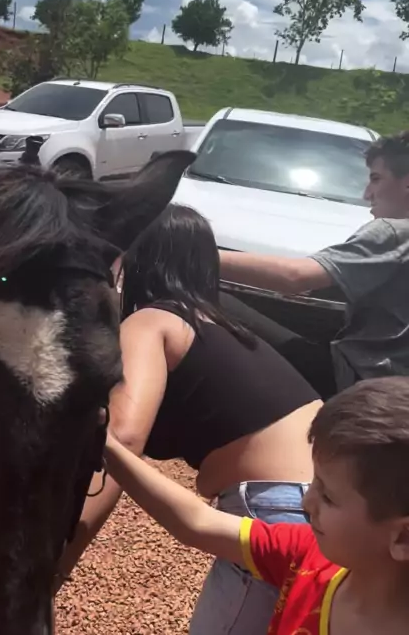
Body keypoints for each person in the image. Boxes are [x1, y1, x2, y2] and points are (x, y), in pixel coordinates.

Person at [58, 204, 322, 634]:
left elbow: (121, 440)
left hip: (277, 511)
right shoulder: (225, 327)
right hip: (330, 505)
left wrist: (59, 561)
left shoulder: (151, 321)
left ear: (132, 260)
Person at [103, 377, 409, 635]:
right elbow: (197, 523)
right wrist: (107, 444)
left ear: (403, 537)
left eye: (328, 497)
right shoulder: (309, 557)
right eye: (314, 482)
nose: (306, 502)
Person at [220, 131, 409, 392]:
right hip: (394, 388)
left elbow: (295, 278)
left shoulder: (394, 232)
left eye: (376, 179)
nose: (367, 194)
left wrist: (193, 251)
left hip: (354, 381)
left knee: (214, 300)